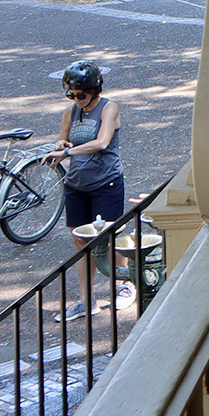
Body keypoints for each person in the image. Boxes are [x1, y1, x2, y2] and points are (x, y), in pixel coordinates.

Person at [47, 60, 124, 321]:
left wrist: (68, 151)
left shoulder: (109, 108)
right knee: (80, 240)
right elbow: (64, 138)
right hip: (77, 183)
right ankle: (86, 299)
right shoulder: (70, 111)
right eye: (71, 94)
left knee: (108, 236)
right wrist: (61, 145)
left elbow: (102, 142)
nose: (76, 99)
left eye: (81, 94)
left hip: (106, 182)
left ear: (94, 90)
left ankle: (123, 285)